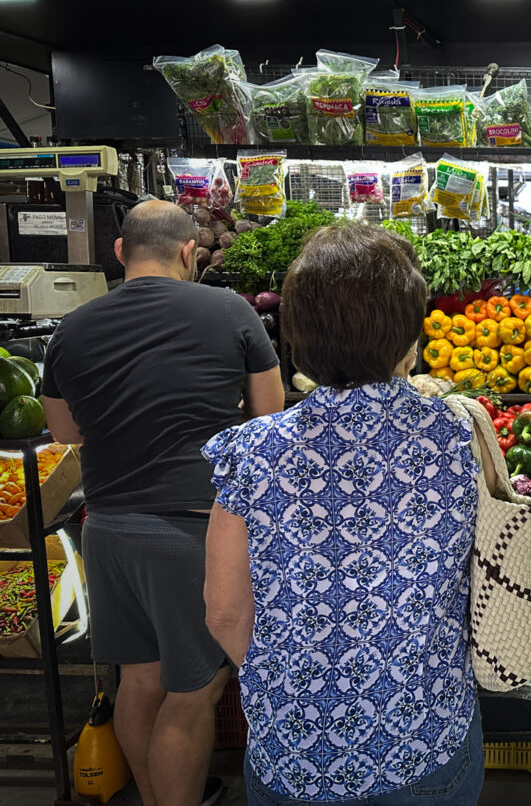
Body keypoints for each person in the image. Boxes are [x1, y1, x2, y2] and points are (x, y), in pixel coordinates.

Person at [203, 223, 487, 805]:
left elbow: (225, 614)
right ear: (410, 337)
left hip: (295, 757)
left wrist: (291, 681)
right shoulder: (459, 433)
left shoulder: (251, 452)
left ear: (298, 337)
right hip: (427, 741)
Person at [42, 200, 285, 806]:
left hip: (108, 530)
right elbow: (271, 418)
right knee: (194, 691)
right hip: (192, 532)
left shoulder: (70, 329)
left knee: (140, 681)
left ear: (121, 253)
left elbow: (65, 433)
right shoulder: (230, 310)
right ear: (188, 253)